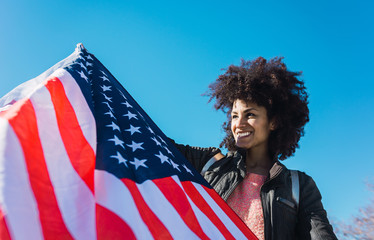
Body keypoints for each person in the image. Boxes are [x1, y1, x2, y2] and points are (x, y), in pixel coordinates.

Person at [171, 57, 337, 240]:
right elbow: (152, 145)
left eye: (249, 114)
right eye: (234, 116)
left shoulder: (299, 185)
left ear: (273, 122)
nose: (238, 124)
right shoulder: (208, 163)